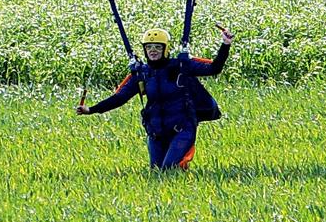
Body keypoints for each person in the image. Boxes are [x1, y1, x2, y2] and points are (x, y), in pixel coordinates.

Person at [77, 22, 234, 170]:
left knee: (168, 169)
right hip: (156, 132)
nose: (153, 50)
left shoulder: (180, 66)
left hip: (182, 128)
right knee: (157, 172)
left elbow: (214, 68)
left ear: (165, 49)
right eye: (149, 47)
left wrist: (225, 45)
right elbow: (119, 98)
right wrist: (91, 109)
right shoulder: (142, 74)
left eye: (158, 47)